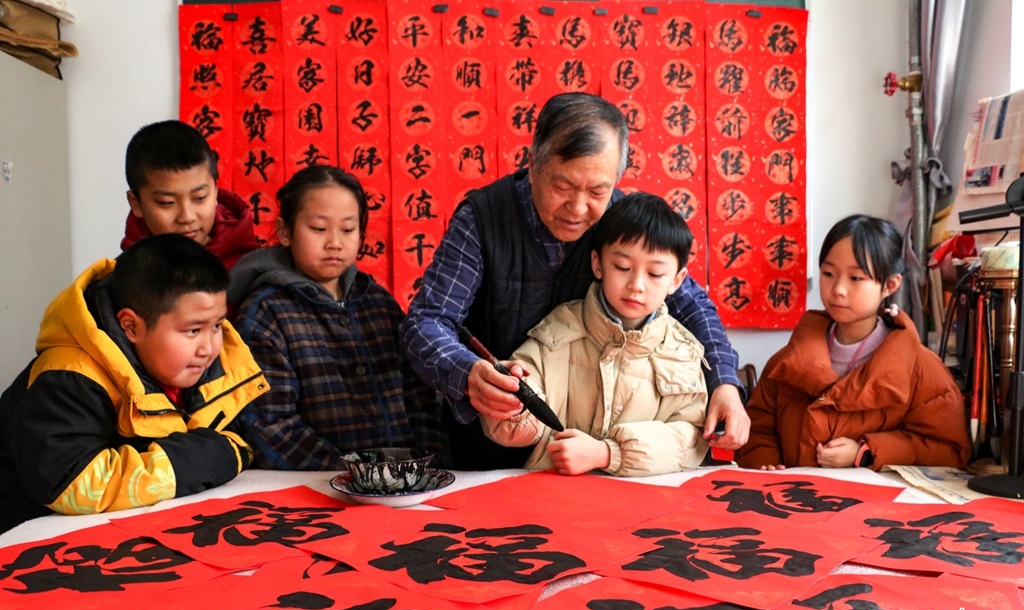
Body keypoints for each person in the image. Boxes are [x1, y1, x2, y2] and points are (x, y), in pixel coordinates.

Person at [401, 93, 748, 471]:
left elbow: (692, 306)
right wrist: (466, 373)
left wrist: (725, 384)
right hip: (490, 445)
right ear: (533, 163)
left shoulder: (619, 220)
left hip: (590, 451)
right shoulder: (483, 219)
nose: (579, 208)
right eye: (563, 187)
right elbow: (426, 321)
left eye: (598, 191)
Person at [0, 235, 268, 533]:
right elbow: (70, 483)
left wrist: (218, 453)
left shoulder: (204, 361)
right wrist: (202, 460)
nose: (209, 347)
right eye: (193, 330)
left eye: (217, 325)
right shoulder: (68, 375)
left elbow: (241, 436)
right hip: (24, 536)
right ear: (131, 326)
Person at [480, 193, 709, 476]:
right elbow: (510, 429)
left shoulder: (684, 351)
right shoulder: (558, 329)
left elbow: (691, 439)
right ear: (597, 264)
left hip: (645, 499)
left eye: (655, 274)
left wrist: (608, 454)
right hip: (554, 492)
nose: (636, 285)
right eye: (622, 267)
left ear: (676, 280)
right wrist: (511, 401)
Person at [230, 166, 442, 470]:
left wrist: (427, 463)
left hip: (405, 481)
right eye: (319, 229)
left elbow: (419, 398)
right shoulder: (265, 312)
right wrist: (348, 473)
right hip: (316, 485)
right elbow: (269, 425)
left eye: (347, 229)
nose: (334, 242)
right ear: (285, 231)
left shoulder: (379, 303)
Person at [736, 215, 971, 471]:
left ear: (890, 285)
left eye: (856, 278)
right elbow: (757, 431)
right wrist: (767, 465)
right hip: (792, 494)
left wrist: (866, 453)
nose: (838, 288)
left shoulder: (921, 369)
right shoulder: (786, 362)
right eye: (828, 273)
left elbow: (947, 448)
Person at [120, 120, 259, 269]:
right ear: (136, 204)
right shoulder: (125, 272)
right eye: (167, 202)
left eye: (200, 198)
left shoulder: (249, 268)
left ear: (215, 192)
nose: (187, 217)